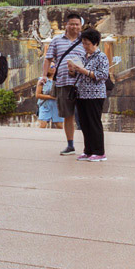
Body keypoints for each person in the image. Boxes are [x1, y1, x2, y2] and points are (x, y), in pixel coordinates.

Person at [66, 27, 110, 161]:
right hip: (81, 93)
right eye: (83, 43)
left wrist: (84, 71)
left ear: (95, 43)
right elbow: (76, 75)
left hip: (95, 94)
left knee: (94, 123)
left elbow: (103, 75)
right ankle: (88, 150)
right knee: (84, 123)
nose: (85, 46)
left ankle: (99, 151)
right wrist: (72, 70)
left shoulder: (101, 57)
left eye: (87, 43)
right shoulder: (82, 56)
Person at [45, 13, 85, 156]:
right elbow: (48, 59)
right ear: (66, 25)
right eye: (72, 24)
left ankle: (89, 146)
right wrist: (44, 76)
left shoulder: (85, 41)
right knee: (67, 115)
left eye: (77, 24)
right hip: (63, 82)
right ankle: (70, 145)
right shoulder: (56, 40)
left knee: (85, 115)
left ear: (81, 26)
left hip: (82, 83)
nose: (74, 26)